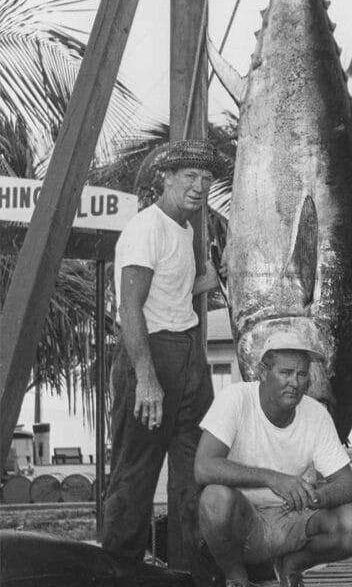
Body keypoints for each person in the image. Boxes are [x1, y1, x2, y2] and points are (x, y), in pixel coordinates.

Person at [102, 139, 228, 581]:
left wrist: (203, 283)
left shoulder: (187, 229)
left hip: (189, 355)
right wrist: (146, 379)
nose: (199, 187)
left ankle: (195, 574)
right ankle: (117, 573)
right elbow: (129, 308)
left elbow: (167, 293)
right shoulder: (146, 228)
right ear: (166, 178)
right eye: (190, 177)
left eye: (207, 180)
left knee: (195, 473)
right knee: (135, 475)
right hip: (151, 355)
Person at [194, 330, 352, 587]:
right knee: (214, 498)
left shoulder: (316, 413)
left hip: (294, 521)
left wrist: (314, 497)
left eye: (302, 374)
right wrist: (273, 479)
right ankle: (236, 577)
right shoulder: (235, 399)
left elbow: (347, 483)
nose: (295, 382)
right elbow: (204, 467)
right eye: (285, 372)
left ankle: (290, 566)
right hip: (246, 523)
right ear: (264, 372)